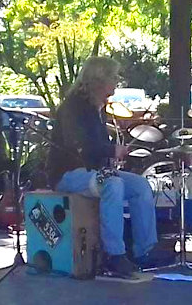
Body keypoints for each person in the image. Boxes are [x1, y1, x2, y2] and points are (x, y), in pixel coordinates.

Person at [46, 57, 158, 278]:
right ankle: (114, 255)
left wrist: (109, 156)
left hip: (91, 172)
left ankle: (144, 250)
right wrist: (110, 151)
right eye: (113, 78)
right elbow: (77, 145)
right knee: (113, 185)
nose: (116, 82)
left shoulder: (98, 107)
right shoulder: (73, 107)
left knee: (140, 185)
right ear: (99, 79)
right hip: (67, 173)